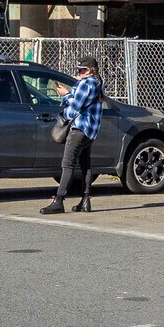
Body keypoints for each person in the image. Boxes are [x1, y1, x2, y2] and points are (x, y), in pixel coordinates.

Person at [43, 58, 105, 214]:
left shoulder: (86, 83)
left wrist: (65, 95)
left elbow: (74, 107)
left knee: (68, 164)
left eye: (82, 70)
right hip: (91, 131)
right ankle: (85, 201)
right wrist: (71, 93)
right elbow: (83, 100)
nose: (79, 73)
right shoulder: (98, 83)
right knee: (85, 164)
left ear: (90, 70)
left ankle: (58, 201)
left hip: (80, 128)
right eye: (79, 70)